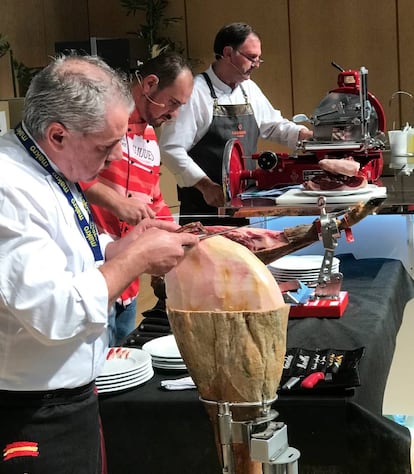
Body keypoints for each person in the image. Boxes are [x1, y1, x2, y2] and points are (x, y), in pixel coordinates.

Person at [0, 53, 198, 474]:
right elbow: (53, 310)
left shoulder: (49, 167)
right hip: (31, 411)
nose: (111, 162)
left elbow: (74, 250)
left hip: (69, 399)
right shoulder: (9, 186)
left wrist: (120, 248)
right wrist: (137, 259)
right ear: (57, 134)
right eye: (105, 148)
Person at [80, 53, 193, 346]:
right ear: (150, 84)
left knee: (122, 364)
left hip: (130, 282)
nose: (174, 114)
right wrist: (117, 203)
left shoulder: (152, 137)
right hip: (93, 273)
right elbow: (72, 175)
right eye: (173, 103)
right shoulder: (102, 121)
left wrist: (180, 237)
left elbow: (154, 200)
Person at [159, 22, 313, 226]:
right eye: (251, 57)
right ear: (228, 53)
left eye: (259, 59)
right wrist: (205, 186)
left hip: (242, 204)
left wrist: (307, 136)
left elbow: (274, 126)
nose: (256, 64)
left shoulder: (249, 89)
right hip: (203, 209)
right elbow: (171, 148)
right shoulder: (196, 92)